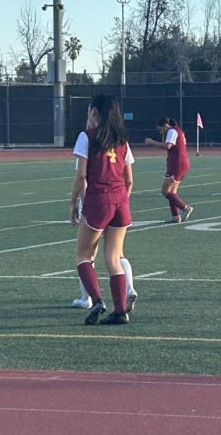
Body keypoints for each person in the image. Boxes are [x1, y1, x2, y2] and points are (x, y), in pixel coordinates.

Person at [70, 94, 138, 325]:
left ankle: (97, 301)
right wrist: (119, 200)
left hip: (99, 200)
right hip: (121, 201)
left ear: (95, 113)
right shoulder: (122, 141)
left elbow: (80, 176)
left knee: (83, 256)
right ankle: (120, 311)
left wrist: (73, 203)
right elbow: (129, 180)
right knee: (113, 258)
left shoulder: (86, 137)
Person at [144, 117, 194, 223]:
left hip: (177, 164)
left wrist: (152, 142)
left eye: (160, 129)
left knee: (165, 191)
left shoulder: (172, 131)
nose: (160, 132)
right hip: (182, 164)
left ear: (166, 125)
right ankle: (175, 216)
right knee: (172, 192)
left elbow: (168, 145)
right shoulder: (177, 130)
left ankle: (185, 208)